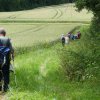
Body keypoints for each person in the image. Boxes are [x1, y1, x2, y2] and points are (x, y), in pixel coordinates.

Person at [0, 28, 14, 92]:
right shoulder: (8, 40)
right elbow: (12, 50)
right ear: (4, 34)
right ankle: (6, 88)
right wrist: (12, 56)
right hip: (6, 60)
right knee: (6, 73)